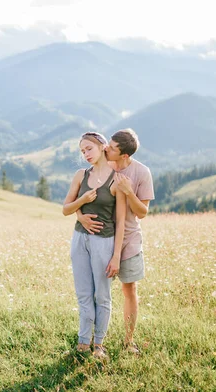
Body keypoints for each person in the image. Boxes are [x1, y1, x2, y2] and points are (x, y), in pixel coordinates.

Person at [76, 128, 154, 355]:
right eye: (107, 144)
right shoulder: (103, 167)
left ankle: (128, 341)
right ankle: (93, 340)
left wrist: (129, 192)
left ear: (125, 156)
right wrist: (80, 216)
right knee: (97, 292)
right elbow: (82, 199)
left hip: (129, 241)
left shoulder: (141, 172)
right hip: (101, 238)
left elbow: (143, 212)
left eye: (112, 148)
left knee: (129, 289)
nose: (107, 148)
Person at [62, 131, 126, 360]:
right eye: (82, 151)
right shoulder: (81, 175)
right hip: (79, 240)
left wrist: (116, 256)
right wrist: (81, 208)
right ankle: (83, 340)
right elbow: (66, 208)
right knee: (83, 293)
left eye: (89, 148)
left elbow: (120, 222)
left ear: (101, 146)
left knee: (102, 295)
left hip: (104, 242)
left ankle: (98, 343)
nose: (86, 154)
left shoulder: (117, 180)